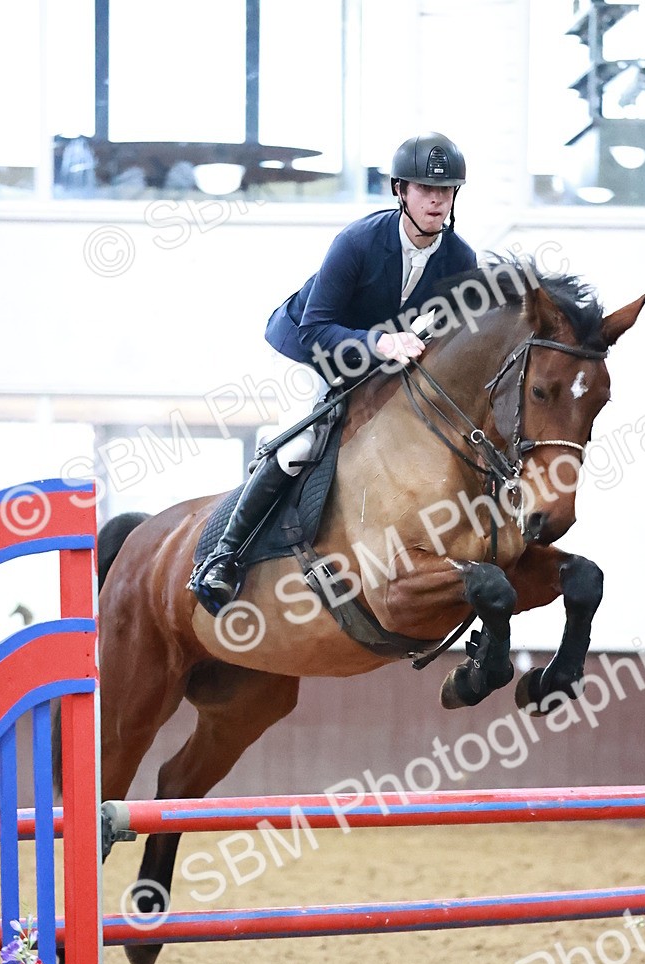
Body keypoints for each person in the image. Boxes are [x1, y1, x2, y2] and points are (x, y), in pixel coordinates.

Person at [191, 132, 476, 615]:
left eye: (445, 190)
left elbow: (452, 337)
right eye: (425, 189)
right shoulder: (358, 242)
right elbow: (315, 327)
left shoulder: (459, 259)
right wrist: (380, 343)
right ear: (400, 191)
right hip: (314, 348)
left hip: (384, 363)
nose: (436, 199)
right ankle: (223, 557)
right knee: (302, 445)